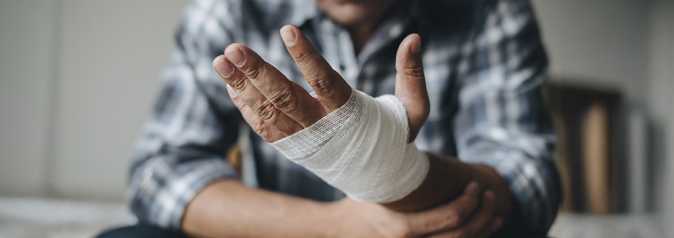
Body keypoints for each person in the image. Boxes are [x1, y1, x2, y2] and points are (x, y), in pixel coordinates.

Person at [98, 0, 561, 237]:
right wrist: (336, 226)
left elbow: (525, 184)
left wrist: (394, 177)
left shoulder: (490, 9)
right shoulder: (230, 7)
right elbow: (160, 172)